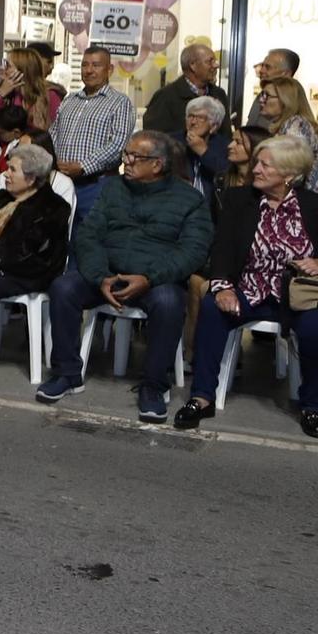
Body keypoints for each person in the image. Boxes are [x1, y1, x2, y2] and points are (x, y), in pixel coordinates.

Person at [175, 134, 318, 438]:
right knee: (213, 309)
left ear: (289, 175)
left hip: (297, 293)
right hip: (249, 287)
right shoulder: (238, 200)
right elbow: (223, 249)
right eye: (257, 163)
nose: (256, 169)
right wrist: (224, 286)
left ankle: (312, 406)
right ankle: (202, 397)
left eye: (265, 165)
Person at [34, 131, 212, 421]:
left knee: (169, 303)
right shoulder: (113, 188)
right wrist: (100, 275)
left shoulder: (189, 199)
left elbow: (193, 252)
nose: (125, 161)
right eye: (125, 155)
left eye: (134, 157)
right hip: (107, 273)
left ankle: (153, 385)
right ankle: (66, 373)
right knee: (64, 287)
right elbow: (88, 234)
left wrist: (149, 278)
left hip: (155, 279)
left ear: (157, 165)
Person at [0, 145, 72, 387]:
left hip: (29, 272)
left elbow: (39, 256)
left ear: (31, 178)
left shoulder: (54, 208)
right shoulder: (2, 198)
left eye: (12, 170)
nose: (5, 174)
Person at [48, 46, 135, 226]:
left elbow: (118, 144)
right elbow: (54, 133)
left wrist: (82, 167)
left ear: (109, 69)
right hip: (61, 183)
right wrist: (54, 161)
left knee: (89, 239)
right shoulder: (70, 99)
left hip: (96, 186)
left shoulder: (119, 102)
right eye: (84, 65)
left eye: (96, 65)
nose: (89, 70)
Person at [251, 75, 318, 194]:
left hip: (297, 203)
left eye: (267, 95)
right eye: (261, 94)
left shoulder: (296, 125)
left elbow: (294, 173)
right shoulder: (288, 124)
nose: (261, 100)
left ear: (285, 100)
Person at [142, 42, 228, 135]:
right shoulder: (166, 96)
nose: (216, 65)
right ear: (193, 65)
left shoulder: (219, 94)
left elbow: (226, 136)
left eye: (215, 61)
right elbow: (153, 137)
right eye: (210, 61)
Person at [0, 46, 63, 134]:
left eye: (7, 65)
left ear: (23, 72)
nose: (2, 68)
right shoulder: (4, 94)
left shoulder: (50, 97)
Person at [182, 94, 230, 204]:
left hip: (212, 207)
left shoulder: (226, 146)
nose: (193, 122)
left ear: (214, 126)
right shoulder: (173, 141)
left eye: (200, 118)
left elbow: (227, 176)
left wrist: (204, 152)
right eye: (190, 116)